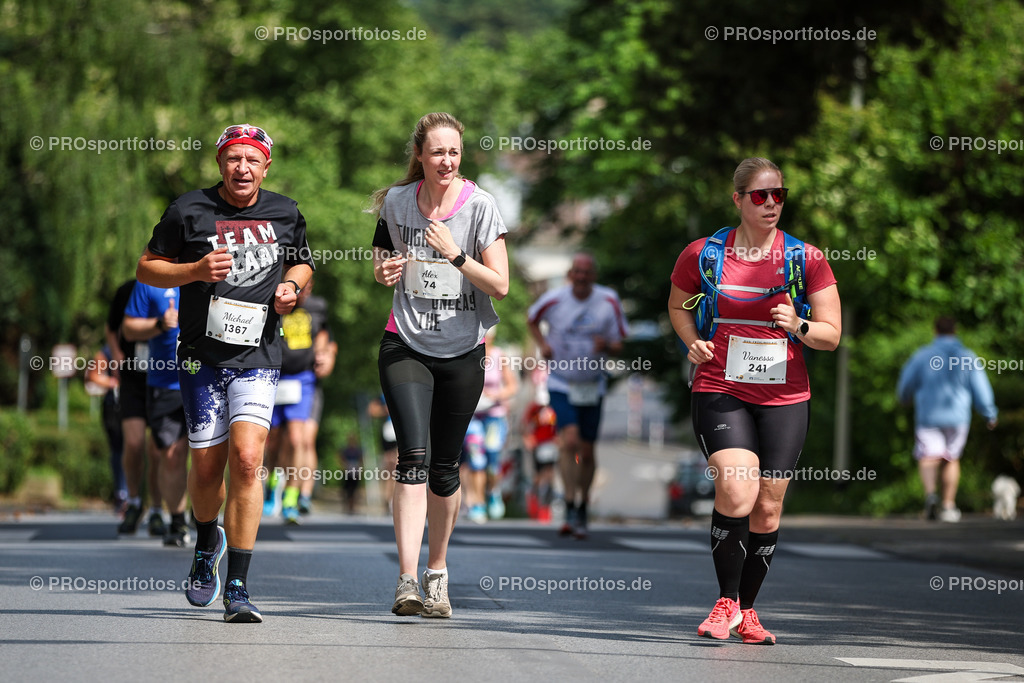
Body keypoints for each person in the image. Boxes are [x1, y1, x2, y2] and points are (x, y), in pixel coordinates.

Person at [136, 123, 314, 623]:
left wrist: (293, 289)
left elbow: (303, 265)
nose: (243, 169)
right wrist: (193, 271)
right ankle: (205, 541)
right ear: (220, 163)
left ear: (266, 166)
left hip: (259, 354)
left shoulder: (285, 211)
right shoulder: (189, 209)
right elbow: (147, 268)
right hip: (200, 356)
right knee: (208, 466)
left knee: (248, 456)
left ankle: (237, 584)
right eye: (233, 159)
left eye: (252, 160)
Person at [668, 157, 841, 645]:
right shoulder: (704, 254)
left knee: (767, 509)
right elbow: (679, 303)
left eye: (778, 196)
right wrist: (690, 340)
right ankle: (724, 602)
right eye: (761, 196)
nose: (771, 204)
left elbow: (831, 335)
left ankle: (748, 610)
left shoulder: (805, 258)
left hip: (785, 396)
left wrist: (799, 326)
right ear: (738, 199)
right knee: (738, 492)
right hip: (721, 387)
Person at [370, 112, 509, 618]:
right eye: (436, 153)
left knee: (445, 470)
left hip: (462, 352)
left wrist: (456, 256)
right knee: (413, 456)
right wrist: (383, 270)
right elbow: (381, 256)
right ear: (420, 156)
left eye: (453, 152)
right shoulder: (398, 201)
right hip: (404, 343)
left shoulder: (481, 207)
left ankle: (437, 573)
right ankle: (406, 580)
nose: (446, 161)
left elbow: (501, 285)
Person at [527, 252, 629, 540]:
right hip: (561, 381)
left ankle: (583, 504)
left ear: (593, 276)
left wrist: (607, 344)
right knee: (568, 440)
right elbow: (531, 319)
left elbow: (621, 342)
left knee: (587, 450)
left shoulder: (608, 300)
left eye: (587, 273)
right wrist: (543, 344)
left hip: (591, 383)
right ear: (570, 275)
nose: (582, 277)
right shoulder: (555, 299)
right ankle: (569, 503)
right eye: (577, 272)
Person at [897, 316, 997, 522]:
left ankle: (931, 496)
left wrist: (904, 398)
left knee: (928, 456)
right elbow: (981, 388)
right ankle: (949, 505)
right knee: (951, 458)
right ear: (956, 330)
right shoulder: (967, 356)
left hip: (928, 416)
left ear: (935, 330)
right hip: (958, 417)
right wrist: (989, 413)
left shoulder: (922, 356)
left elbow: (906, 383)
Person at [123, 283, 191, 547]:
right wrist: (160, 325)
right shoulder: (150, 280)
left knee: (208, 455)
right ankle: (176, 520)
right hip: (166, 384)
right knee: (173, 456)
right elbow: (129, 329)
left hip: (206, 379)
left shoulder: (212, 267)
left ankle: (204, 519)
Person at [267, 279, 330, 524]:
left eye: (308, 288)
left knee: (296, 439)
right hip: (274, 376)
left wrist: (323, 353)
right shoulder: (275, 302)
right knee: (273, 442)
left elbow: (325, 332)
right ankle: (272, 484)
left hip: (303, 379)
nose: (303, 293)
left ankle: (291, 498)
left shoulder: (317, 307)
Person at [107, 279, 162, 536]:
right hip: (133, 379)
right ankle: (134, 502)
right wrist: (117, 354)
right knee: (134, 443)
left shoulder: (179, 289)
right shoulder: (127, 291)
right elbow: (111, 328)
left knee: (159, 450)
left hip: (165, 380)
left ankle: (158, 511)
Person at [462, 328, 519, 522]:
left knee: (492, 460)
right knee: (476, 460)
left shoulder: (498, 356)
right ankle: (477, 504)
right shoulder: (466, 355)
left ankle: (493, 492)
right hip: (473, 416)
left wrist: (497, 395)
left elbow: (512, 386)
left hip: (494, 416)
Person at [84, 345, 127, 512]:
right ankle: (121, 493)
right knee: (118, 451)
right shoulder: (108, 351)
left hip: (134, 407)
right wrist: (112, 382)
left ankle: (133, 495)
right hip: (113, 408)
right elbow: (93, 376)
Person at [367, 395, 399, 512]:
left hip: (401, 431)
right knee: (388, 467)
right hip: (388, 433)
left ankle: (396, 499)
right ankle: (387, 500)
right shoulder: (384, 394)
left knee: (398, 465)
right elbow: (371, 410)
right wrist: (385, 410)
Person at [340, 433, 364, 515]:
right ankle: (347, 506)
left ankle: (353, 507)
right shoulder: (346, 450)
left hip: (355, 473)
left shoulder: (358, 450)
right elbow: (341, 458)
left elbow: (361, 460)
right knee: (347, 490)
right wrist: (345, 465)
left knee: (354, 490)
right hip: (347, 472)